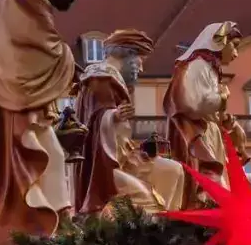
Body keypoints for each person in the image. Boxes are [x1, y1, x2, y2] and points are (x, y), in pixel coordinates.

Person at [0, 0, 89, 245]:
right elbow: (47, 50)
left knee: (52, 155)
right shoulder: (26, 2)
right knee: (30, 160)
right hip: (12, 101)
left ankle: (60, 218)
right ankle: (32, 223)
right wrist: (71, 65)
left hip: (15, 98)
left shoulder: (15, 1)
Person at [75, 50, 187, 212]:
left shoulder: (116, 82)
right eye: (138, 62)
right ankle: (148, 230)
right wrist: (114, 116)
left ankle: (169, 225)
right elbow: (91, 122)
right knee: (146, 198)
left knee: (173, 170)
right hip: (102, 167)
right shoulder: (98, 80)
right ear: (125, 57)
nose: (140, 69)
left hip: (127, 159)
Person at [167, 22, 246, 181]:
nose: (236, 54)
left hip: (209, 132)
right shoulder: (197, 66)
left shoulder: (209, 69)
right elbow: (196, 104)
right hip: (198, 134)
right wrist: (223, 97)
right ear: (220, 43)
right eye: (234, 46)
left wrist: (224, 119)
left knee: (218, 183)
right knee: (211, 184)